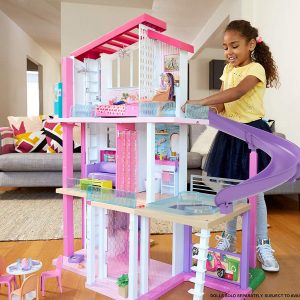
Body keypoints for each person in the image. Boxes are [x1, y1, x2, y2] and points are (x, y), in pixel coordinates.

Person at [182, 20, 280, 272]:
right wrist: (208, 108)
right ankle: (228, 239)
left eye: (234, 46)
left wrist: (203, 100)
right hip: (229, 134)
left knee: (254, 192)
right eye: (225, 47)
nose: (229, 52)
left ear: (250, 44)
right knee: (229, 189)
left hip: (252, 135)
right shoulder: (227, 70)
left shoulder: (256, 69)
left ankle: (263, 243)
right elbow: (224, 105)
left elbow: (237, 93)